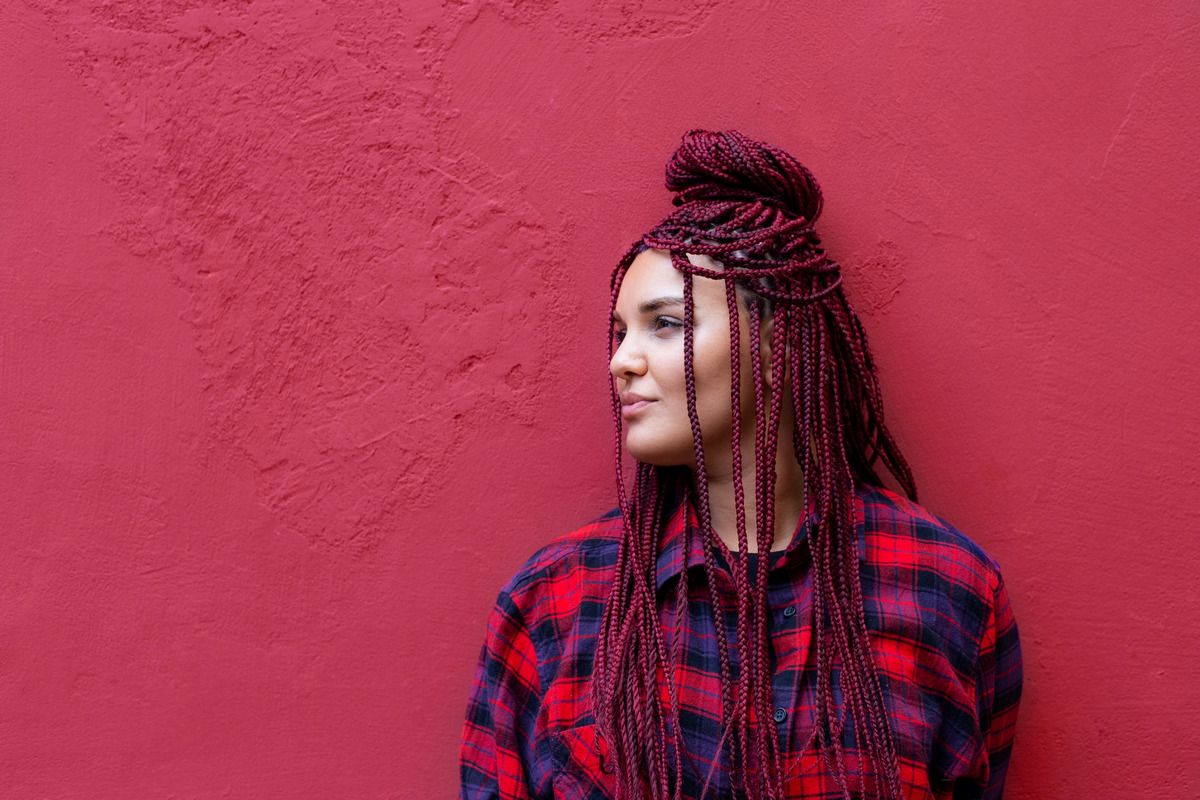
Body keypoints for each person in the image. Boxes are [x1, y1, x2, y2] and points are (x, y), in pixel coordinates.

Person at [460, 130, 1022, 800]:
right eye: (619, 333)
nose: (621, 361)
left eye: (663, 324)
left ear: (778, 340)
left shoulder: (947, 589)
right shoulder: (556, 602)